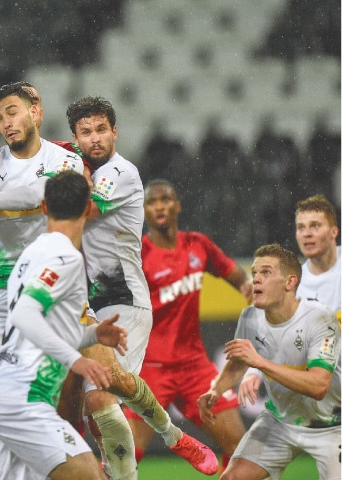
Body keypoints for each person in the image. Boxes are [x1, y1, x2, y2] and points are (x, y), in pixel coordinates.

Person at [66, 96, 218, 478]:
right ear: (76, 136)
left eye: (102, 130)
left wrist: (66, 167)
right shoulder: (76, 167)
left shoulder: (123, 172)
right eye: (85, 133)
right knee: (91, 411)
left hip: (124, 299)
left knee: (101, 394)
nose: (95, 139)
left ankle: (167, 438)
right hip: (84, 302)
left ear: (115, 131)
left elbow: (81, 210)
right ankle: (147, 447)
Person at [0, 170, 128, 480]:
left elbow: (35, 327)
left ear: (44, 207)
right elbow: (24, 314)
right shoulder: (65, 257)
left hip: (4, 393)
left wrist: (90, 334)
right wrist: (77, 361)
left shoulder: (30, 253)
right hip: (24, 398)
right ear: (89, 208)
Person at [0, 82, 84, 446]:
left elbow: (39, 194)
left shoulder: (65, 160)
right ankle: (37, 459)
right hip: (0, 294)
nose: (6, 123)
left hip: (53, 290)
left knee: (70, 406)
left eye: (12, 112)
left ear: (36, 111)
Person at [125, 178, 250, 472]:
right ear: (144, 210)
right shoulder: (138, 255)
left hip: (195, 368)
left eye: (165, 199)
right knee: (125, 456)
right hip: (151, 369)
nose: (159, 206)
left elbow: (240, 279)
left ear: (177, 205)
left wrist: (253, 296)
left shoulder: (198, 245)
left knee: (242, 449)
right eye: (152, 202)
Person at [198, 243, 340, 480]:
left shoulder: (320, 318)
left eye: (266, 273)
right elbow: (238, 363)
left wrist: (260, 363)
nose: (256, 279)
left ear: (290, 282)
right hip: (279, 422)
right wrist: (216, 390)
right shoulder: (250, 316)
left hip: (331, 426)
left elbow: (318, 386)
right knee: (231, 478)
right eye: (254, 273)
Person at [238, 194, 341, 409]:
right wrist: (254, 371)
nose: (307, 234)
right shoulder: (292, 284)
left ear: (334, 231)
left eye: (315, 226)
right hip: (325, 396)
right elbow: (270, 334)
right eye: (301, 227)